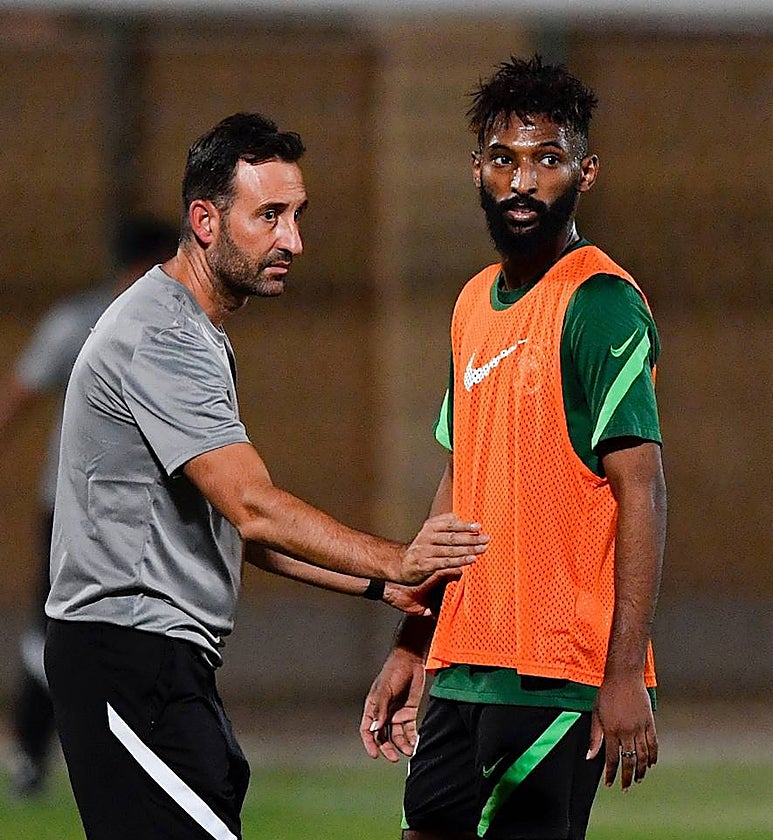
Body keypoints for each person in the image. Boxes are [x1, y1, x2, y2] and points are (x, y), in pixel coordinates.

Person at [42, 112, 490, 840]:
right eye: (270, 216)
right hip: (126, 659)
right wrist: (398, 559)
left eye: (297, 216)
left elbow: (235, 529)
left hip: (161, 665)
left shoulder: (191, 330)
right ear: (205, 221)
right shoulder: (163, 337)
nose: (293, 241)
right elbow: (253, 507)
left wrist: (382, 588)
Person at [359, 56, 667, 840]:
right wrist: (413, 644)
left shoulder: (600, 303)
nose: (522, 182)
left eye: (547, 159)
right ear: (478, 169)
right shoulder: (471, 302)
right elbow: (458, 482)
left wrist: (623, 674)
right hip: (463, 662)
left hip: (554, 674)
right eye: (504, 160)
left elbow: (642, 491)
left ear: (585, 173)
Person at [1, 216, 177, 798]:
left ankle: (124, 750)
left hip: (141, 511)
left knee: (128, 630)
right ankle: (34, 748)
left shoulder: (172, 325)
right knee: (59, 630)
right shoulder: (83, 323)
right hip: (74, 507)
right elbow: (19, 394)